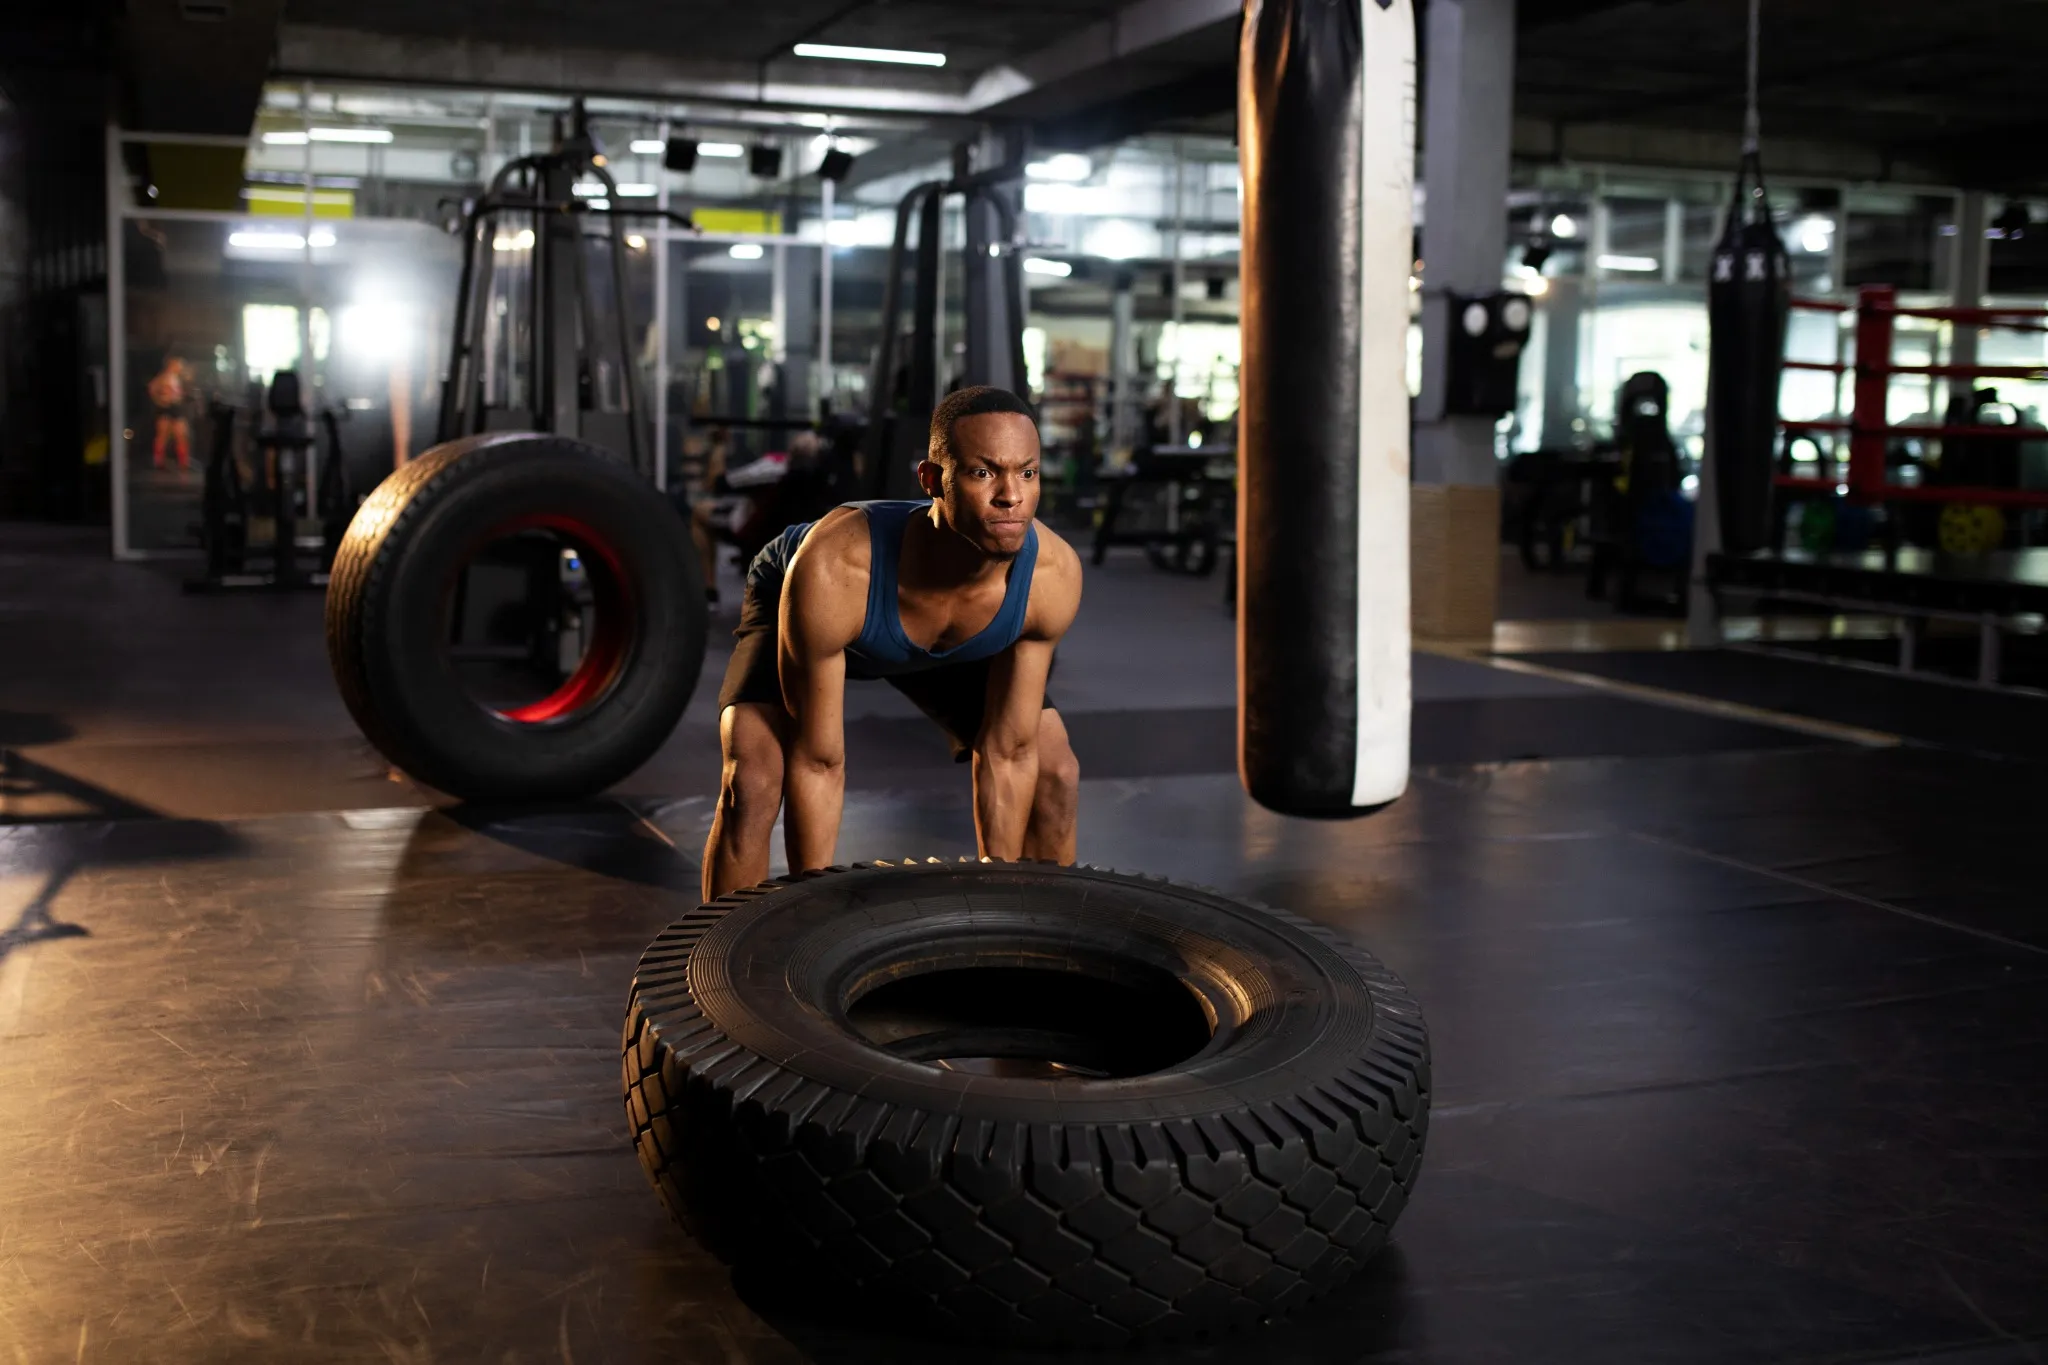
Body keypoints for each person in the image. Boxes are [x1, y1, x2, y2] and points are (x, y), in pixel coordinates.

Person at [702, 386, 1082, 901]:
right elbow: (819, 763)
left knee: (1054, 770)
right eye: (983, 472)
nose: (1011, 496)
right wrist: (811, 918)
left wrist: (999, 905)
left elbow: (1008, 752)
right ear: (932, 480)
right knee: (753, 780)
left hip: (957, 631)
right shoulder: (835, 566)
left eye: (1027, 473)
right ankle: (712, 964)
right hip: (821, 603)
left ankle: (1036, 938)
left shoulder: (1052, 575)